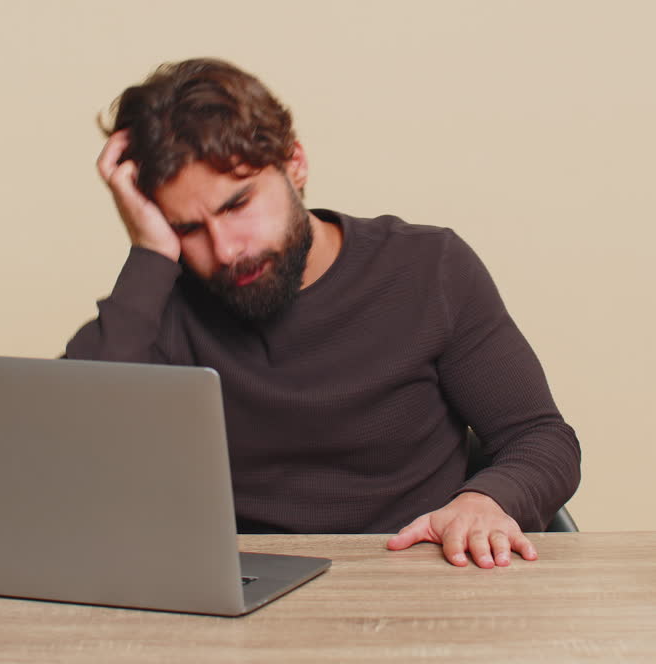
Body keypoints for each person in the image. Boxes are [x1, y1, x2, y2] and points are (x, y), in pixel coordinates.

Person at [64, 58, 580, 568]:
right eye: (187, 228)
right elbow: (70, 448)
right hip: (242, 594)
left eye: (236, 205)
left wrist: (485, 502)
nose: (224, 250)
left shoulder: (428, 270)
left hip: (416, 580)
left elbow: (541, 437)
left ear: (295, 164)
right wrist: (150, 256)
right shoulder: (161, 306)